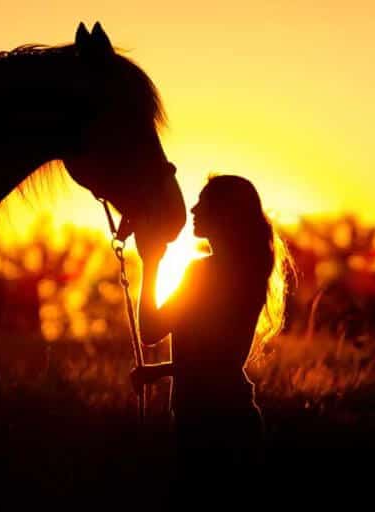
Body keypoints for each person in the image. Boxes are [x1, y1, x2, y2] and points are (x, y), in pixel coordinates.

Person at [131, 174, 292, 497]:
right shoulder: (249, 272)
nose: (193, 209)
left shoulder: (203, 273)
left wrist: (151, 265)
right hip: (229, 418)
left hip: (209, 424)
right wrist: (158, 372)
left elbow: (152, 331)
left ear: (224, 213)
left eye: (203, 202)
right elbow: (216, 359)